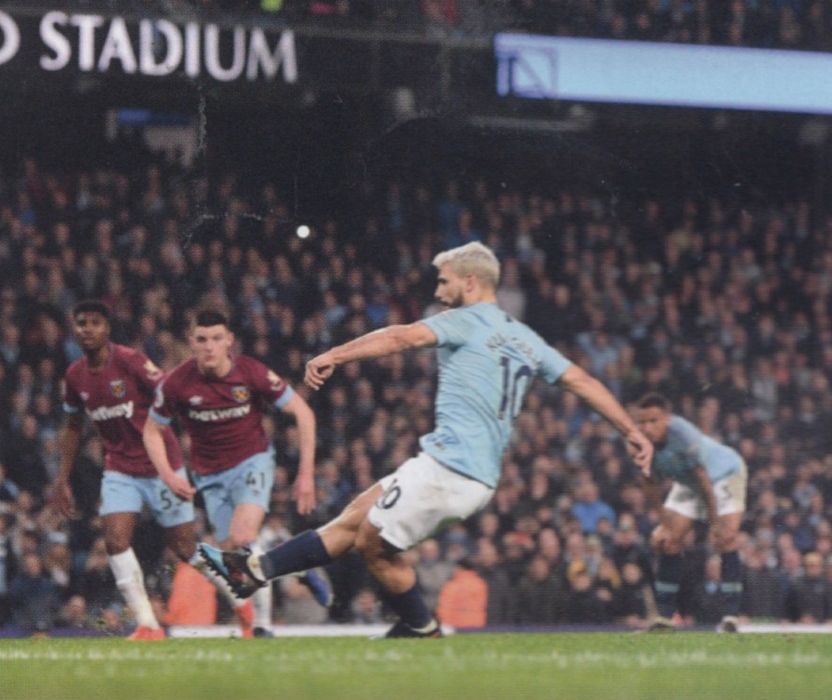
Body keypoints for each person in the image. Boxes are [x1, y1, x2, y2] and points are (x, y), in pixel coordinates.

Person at [199, 241, 653, 638]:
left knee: (369, 542)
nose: (438, 293)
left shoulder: (468, 319)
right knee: (355, 516)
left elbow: (400, 337)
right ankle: (260, 572)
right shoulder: (525, 338)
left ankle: (414, 623)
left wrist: (334, 354)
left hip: (451, 471)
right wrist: (631, 431)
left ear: (470, 283)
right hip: (453, 467)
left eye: (444, 282)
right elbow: (584, 382)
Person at [49, 301, 251, 640]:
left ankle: (241, 596)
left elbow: (170, 393)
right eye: (81, 323)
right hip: (119, 468)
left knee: (186, 548)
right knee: (114, 540)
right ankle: (148, 624)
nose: (87, 329)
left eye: (95, 323)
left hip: (162, 466)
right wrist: (63, 476)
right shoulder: (75, 376)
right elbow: (72, 426)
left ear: (107, 329)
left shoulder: (131, 362)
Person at [143, 309, 324, 637]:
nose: (209, 347)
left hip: (252, 462)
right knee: (233, 555)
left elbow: (303, 412)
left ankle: (262, 627)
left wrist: (306, 473)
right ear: (191, 343)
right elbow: (151, 431)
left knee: (243, 539)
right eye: (202, 340)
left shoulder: (251, 373)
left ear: (229, 341)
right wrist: (169, 475)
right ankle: (291, 567)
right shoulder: (177, 384)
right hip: (209, 477)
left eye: (216, 339)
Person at [634, 393, 748, 633]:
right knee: (666, 541)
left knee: (725, 538)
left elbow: (704, 481)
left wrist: (714, 522)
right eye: (642, 422)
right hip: (688, 482)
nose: (647, 427)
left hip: (723, 475)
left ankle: (731, 618)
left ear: (666, 418)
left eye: (653, 421)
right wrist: (665, 522)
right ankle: (664, 620)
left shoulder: (684, 436)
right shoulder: (638, 441)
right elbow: (649, 483)